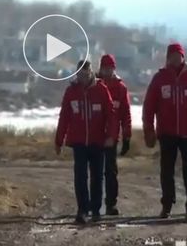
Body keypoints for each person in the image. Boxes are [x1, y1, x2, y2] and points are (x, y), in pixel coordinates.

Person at [142, 43, 187, 222]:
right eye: (172, 55)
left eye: (179, 55)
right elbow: (149, 106)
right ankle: (167, 204)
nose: (176, 58)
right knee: (166, 170)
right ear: (168, 58)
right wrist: (148, 130)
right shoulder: (160, 78)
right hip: (167, 132)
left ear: (183, 57)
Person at [55, 60, 117, 224]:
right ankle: (82, 210)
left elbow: (111, 115)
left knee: (97, 176)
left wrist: (111, 136)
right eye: (80, 74)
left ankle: (96, 210)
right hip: (79, 142)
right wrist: (58, 140)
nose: (83, 77)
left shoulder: (101, 90)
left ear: (91, 73)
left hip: (98, 141)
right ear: (77, 74)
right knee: (80, 177)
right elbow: (64, 117)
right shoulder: (71, 91)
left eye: (86, 73)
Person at [97, 54, 132, 216]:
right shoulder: (94, 86)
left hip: (112, 137)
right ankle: (94, 205)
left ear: (114, 68)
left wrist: (127, 136)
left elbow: (125, 114)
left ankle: (111, 204)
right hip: (95, 137)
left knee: (111, 172)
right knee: (96, 172)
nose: (107, 71)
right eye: (104, 68)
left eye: (110, 68)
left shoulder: (120, 88)